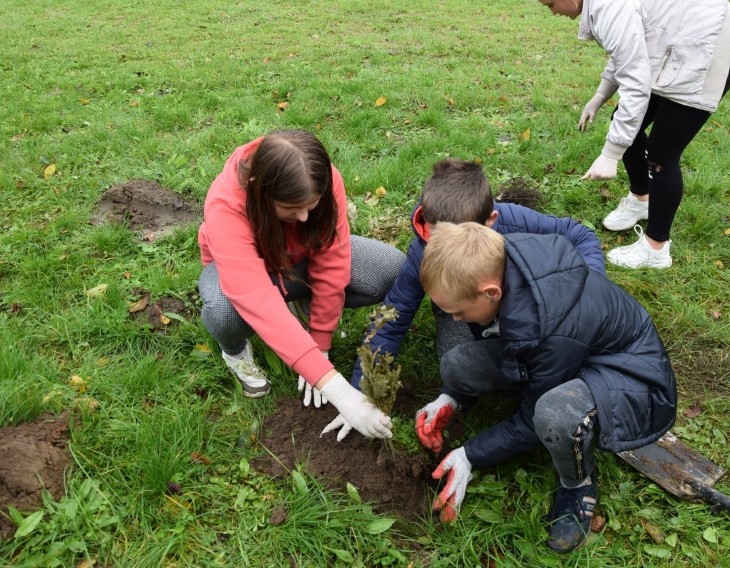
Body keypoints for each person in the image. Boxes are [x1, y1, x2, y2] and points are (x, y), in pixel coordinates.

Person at [416, 222, 677, 553]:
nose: (455, 320)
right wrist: (450, 398)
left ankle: (578, 484)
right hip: (568, 356)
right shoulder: (496, 268)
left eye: (460, 312)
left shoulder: (549, 328)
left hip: (630, 377)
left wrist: (470, 455)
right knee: (457, 365)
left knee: (554, 414)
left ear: (490, 293)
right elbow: (511, 347)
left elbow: (530, 421)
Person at [197, 129, 404, 439]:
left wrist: (319, 345)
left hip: (299, 262)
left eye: (312, 204)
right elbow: (256, 298)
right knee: (223, 309)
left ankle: (304, 307)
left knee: (390, 268)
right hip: (249, 272)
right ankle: (236, 352)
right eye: (291, 209)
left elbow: (332, 262)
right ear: (261, 192)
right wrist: (340, 392)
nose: (306, 217)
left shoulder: (319, 178)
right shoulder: (226, 206)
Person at [348, 158, 606, 397]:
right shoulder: (423, 249)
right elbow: (394, 315)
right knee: (457, 366)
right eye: (435, 235)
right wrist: (364, 388)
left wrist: (590, 293)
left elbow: (579, 235)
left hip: (521, 304)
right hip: (461, 309)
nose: (441, 247)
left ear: (490, 221)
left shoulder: (515, 221)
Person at [538, 0, 730, 269]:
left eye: (551, 4)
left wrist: (610, 154)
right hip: (678, 42)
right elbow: (629, 52)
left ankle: (655, 248)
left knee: (661, 155)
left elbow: (636, 83)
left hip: (708, 45)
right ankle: (641, 199)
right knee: (627, 127)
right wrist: (601, 95)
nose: (553, 12)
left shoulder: (608, 8)